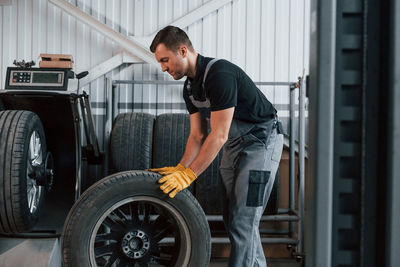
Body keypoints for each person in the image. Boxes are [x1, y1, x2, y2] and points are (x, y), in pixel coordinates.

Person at [148, 25, 283, 267]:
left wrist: (190, 175)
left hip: (262, 142)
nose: (163, 68)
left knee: (244, 219)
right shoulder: (190, 88)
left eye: (165, 60)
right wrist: (180, 169)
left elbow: (217, 135)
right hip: (235, 144)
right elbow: (197, 136)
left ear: (182, 51)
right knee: (232, 218)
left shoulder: (219, 73)